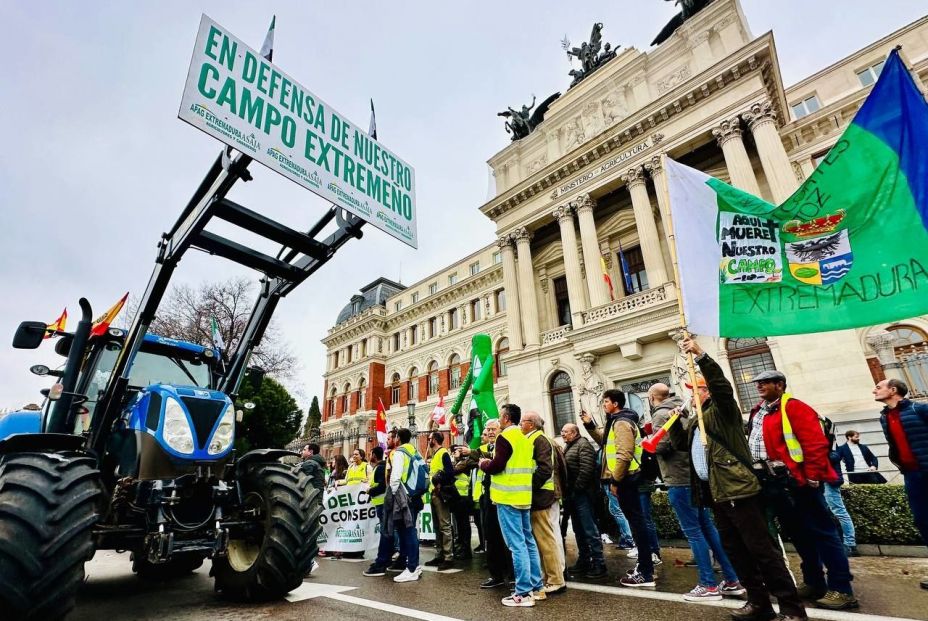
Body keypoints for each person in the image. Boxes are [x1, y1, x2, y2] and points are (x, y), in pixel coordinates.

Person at [674, 337, 806, 621]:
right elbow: (684, 447)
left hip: (738, 490)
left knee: (762, 550)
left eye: (696, 389)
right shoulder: (699, 417)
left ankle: (792, 608)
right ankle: (758, 603)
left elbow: (723, 389)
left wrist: (702, 357)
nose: (691, 394)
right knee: (737, 550)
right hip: (717, 493)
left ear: (707, 391)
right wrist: (675, 423)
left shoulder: (723, 412)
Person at [747, 369, 857, 611]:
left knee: (823, 533)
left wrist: (812, 476)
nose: (759, 385)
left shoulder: (794, 407)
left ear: (780, 385)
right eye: (758, 383)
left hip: (799, 481)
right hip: (774, 482)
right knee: (799, 535)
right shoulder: (759, 411)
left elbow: (815, 444)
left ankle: (842, 589)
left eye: (765, 382)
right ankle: (814, 581)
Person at [647, 383, 744, 602]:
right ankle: (731, 579)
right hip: (692, 476)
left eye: (696, 391)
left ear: (652, 397)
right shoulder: (685, 412)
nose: (691, 395)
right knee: (708, 529)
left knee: (694, 532)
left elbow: (664, 445)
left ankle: (708, 585)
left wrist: (648, 444)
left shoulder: (662, 414)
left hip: (678, 478)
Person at [582, 390, 656, 588]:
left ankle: (646, 572)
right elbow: (606, 445)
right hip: (627, 479)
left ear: (615, 403)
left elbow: (624, 454)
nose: (604, 404)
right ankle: (644, 567)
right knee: (637, 523)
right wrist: (589, 424)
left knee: (637, 525)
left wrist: (615, 480)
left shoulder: (621, 422)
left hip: (627, 480)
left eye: (606, 401)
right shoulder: (616, 421)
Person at [480, 403, 543, 607]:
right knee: (528, 542)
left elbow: (498, 465)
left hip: (507, 497)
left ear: (506, 418)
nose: (498, 420)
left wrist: (483, 464)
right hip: (524, 495)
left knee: (517, 545)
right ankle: (536, 586)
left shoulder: (504, 436)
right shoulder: (524, 438)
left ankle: (523, 593)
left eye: (500, 417)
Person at [874, 378, 928, 591]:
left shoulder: (919, 409)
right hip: (912, 475)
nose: (874, 390)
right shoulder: (884, 417)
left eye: (879, 387)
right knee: (923, 520)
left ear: (893, 390)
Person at [461, 418, 513, 589]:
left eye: (493, 429)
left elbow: (495, 460)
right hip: (487, 497)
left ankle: (512, 575)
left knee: (507, 538)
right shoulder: (486, 447)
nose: (490, 432)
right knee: (491, 537)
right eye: (488, 429)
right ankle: (496, 575)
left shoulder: (504, 444)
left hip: (504, 496)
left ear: (501, 429)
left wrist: (474, 455)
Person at [522, 411, 567, 596]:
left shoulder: (539, 440)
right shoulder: (534, 439)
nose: (520, 425)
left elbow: (545, 469)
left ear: (531, 424)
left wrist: (528, 487)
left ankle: (556, 580)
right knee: (542, 539)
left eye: (522, 422)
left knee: (546, 539)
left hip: (540, 496)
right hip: (539, 495)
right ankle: (549, 577)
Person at [561, 422, 607, 579]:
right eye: (562, 431)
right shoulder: (570, 446)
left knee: (589, 529)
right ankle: (584, 560)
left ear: (575, 433)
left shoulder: (583, 445)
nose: (563, 434)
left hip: (583, 495)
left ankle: (599, 562)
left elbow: (587, 469)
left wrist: (577, 489)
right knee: (579, 529)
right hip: (574, 495)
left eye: (566, 432)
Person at [389, 428, 424, 583]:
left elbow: (395, 477)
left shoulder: (399, 452)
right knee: (411, 530)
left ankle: (412, 568)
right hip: (415, 495)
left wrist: (393, 495)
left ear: (398, 438)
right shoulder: (415, 451)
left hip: (404, 496)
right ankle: (414, 565)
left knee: (407, 531)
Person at [820, 416, 859, 556]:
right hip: (824, 481)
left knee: (839, 512)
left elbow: (834, 457)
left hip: (830, 481)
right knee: (830, 512)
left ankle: (850, 545)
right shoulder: (828, 442)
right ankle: (843, 543)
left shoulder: (830, 443)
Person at [426, 431, 455, 570]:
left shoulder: (443, 453)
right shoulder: (436, 454)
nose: (428, 440)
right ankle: (440, 555)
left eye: (430, 438)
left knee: (444, 525)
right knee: (437, 526)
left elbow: (450, 473)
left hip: (440, 493)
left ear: (435, 440)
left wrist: (439, 483)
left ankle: (448, 556)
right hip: (434, 493)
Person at [363, 446, 390, 576]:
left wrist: (370, 491)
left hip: (382, 503)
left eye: (371, 453)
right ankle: (385, 559)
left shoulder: (380, 467)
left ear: (374, 455)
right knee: (387, 532)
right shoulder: (380, 466)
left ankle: (382, 561)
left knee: (385, 533)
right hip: (381, 503)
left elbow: (381, 486)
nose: (369, 455)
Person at [450, 445, 475, 560]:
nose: (454, 453)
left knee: (464, 525)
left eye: (456, 451)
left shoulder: (465, 463)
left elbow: (453, 471)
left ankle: (466, 549)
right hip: (457, 498)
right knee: (460, 525)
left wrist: (457, 459)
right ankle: (462, 547)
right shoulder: (458, 462)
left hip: (463, 498)